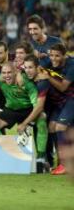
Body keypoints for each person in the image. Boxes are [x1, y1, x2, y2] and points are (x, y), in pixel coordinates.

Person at [0, 63, 40, 141]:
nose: (6, 75)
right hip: (11, 110)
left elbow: (37, 107)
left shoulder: (26, 82)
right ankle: (4, 148)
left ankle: (42, 153)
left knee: (41, 120)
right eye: (4, 73)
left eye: (9, 72)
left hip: (28, 110)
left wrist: (26, 124)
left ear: (15, 72)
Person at [38, 43, 74, 175]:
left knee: (60, 127)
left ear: (64, 56)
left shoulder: (71, 65)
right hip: (60, 102)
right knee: (52, 126)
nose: (53, 58)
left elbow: (64, 87)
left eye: (57, 56)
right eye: (51, 55)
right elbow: (38, 66)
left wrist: (48, 77)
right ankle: (60, 161)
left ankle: (65, 164)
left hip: (71, 100)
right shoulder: (49, 61)